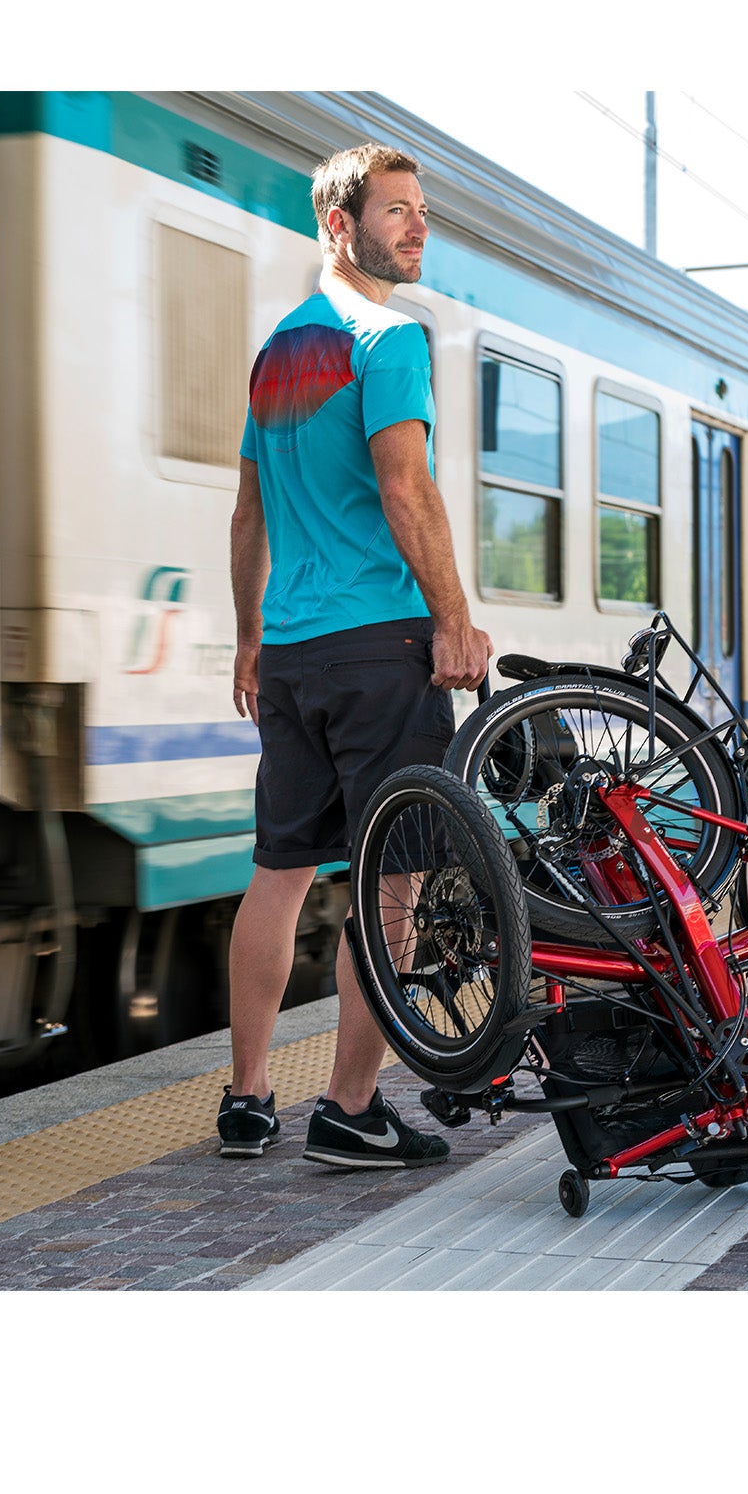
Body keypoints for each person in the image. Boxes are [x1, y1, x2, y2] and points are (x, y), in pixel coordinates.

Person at [218, 142, 493, 1167]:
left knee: (278, 876)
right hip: (381, 650)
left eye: (421, 211)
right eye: (396, 211)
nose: (417, 226)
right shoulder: (387, 337)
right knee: (392, 885)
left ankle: (247, 1101)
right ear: (342, 224)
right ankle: (345, 1107)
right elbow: (404, 487)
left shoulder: (278, 352)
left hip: (290, 655)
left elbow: (250, 510)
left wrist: (250, 638)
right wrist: (454, 618)